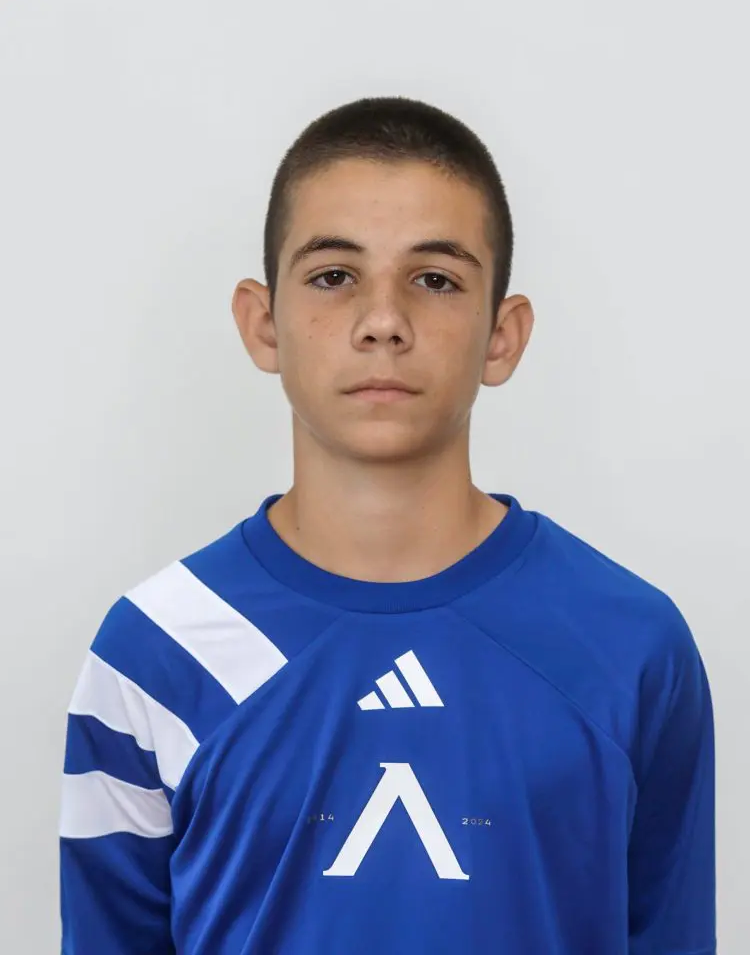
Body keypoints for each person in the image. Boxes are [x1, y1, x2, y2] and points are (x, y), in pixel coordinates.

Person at [59, 96, 716, 954]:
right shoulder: (156, 651)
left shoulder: (629, 645)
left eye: (435, 279)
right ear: (263, 323)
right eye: (334, 276)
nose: (383, 323)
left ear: (502, 336)